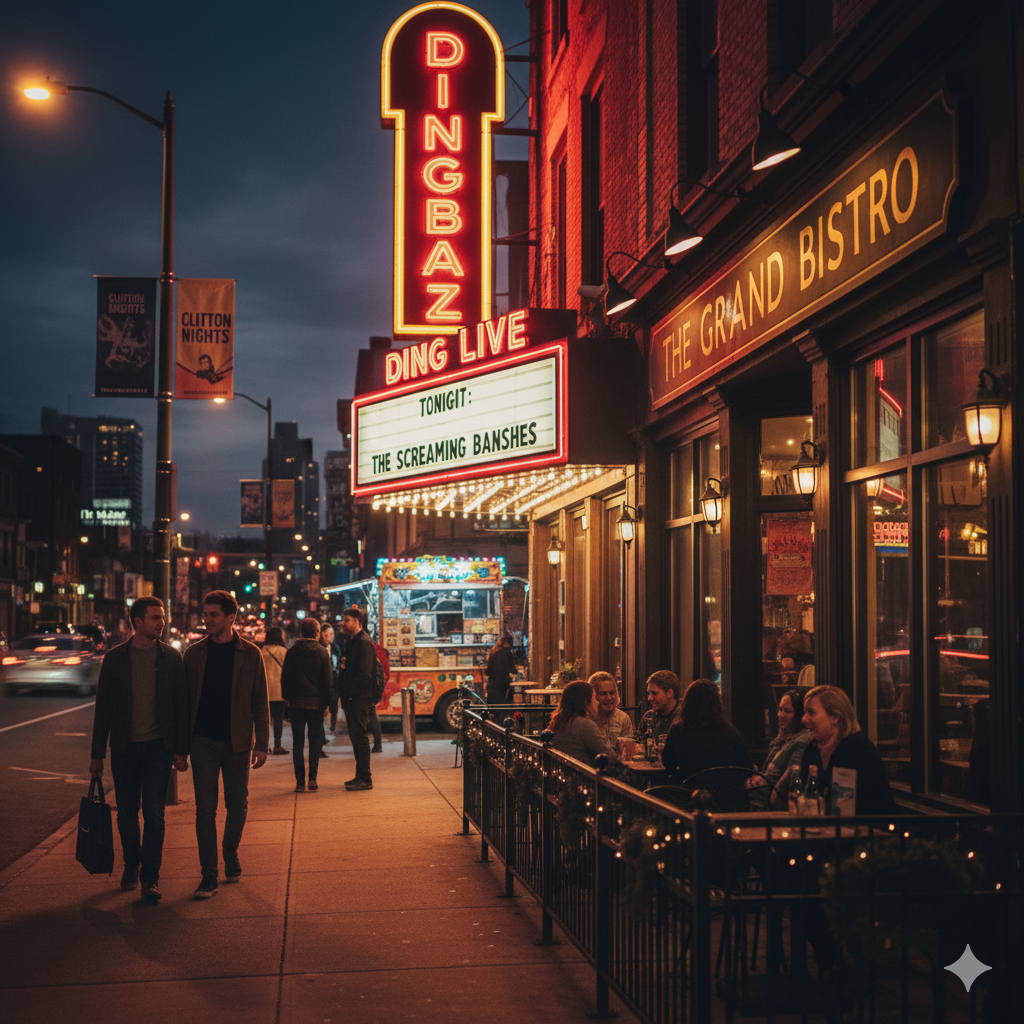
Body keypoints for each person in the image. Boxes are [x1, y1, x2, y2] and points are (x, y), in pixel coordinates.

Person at [89, 597, 189, 903]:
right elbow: (103, 708)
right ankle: (131, 864)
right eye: (155, 618)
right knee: (127, 816)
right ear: (137, 622)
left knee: (155, 815)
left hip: (158, 749)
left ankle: (150, 878)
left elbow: (181, 706)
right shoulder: (115, 659)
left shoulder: (171, 657)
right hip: (124, 750)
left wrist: (181, 749)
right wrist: (97, 754)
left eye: (162, 617)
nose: (161, 623)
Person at [183, 590, 270, 899]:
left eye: (213, 615)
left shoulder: (250, 654)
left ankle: (229, 851)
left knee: (238, 804)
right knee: (205, 809)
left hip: (237, 740)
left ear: (231, 617)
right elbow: (184, 701)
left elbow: (260, 700)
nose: (207, 620)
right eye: (205, 614)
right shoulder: (194, 654)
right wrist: (182, 746)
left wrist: (262, 743)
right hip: (202, 741)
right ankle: (208, 875)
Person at [800, 684, 895, 814]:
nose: (803, 719)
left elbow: (867, 805)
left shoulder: (858, 749)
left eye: (811, 712)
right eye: (805, 712)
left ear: (835, 717)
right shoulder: (812, 750)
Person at [661, 678, 751, 784]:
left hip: (690, 794)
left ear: (687, 703)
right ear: (717, 703)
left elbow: (668, 762)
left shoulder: (678, 729)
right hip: (726, 794)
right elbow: (746, 765)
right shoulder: (729, 731)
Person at [282, 618, 333, 792]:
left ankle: (300, 782)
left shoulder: (292, 652)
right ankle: (313, 778)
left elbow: (285, 678)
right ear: (317, 633)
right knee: (314, 741)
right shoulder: (321, 652)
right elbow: (327, 681)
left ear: (302, 632)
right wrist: (327, 704)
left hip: (296, 702)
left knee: (297, 743)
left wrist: (287, 697)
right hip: (315, 704)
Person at [746, 689, 809, 808]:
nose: (781, 715)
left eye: (787, 711)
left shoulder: (801, 742)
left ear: (799, 715)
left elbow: (790, 781)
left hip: (773, 805)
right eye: (780, 710)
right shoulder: (781, 739)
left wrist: (764, 781)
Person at [337, 606, 377, 791]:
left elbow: (364, 674)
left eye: (347, 620)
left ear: (357, 622)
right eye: (343, 620)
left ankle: (365, 778)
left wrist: (352, 694)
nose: (343, 624)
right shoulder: (352, 641)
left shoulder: (363, 642)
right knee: (356, 737)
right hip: (352, 697)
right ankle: (359, 775)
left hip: (359, 699)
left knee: (360, 738)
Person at [547, 679, 619, 766]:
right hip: (581, 775)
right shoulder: (584, 724)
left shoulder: (560, 721)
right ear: (586, 702)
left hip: (561, 771)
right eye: (594, 699)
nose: (597, 703)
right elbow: (610, 756)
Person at [635, 670, 684, 747]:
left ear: (669, 693)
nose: (649, 698)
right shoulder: (649, 717)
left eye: (654, 693)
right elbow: (636, 746)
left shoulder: (684, 718)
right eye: (649, 693)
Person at [261, 626, 288, 755]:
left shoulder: (262, 651)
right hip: (280, 690)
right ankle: (277, 745)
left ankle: (265, 745)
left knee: (266, 720)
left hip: (265, 691)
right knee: (278, 719)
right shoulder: (284, 652)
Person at [589, 671, 634, 747]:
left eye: (612, 692)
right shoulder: (587, 719)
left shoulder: (623, 718)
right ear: (593, 696)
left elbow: (628, 749)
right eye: (603, 694)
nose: (609, 698)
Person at [485, 633, 515, 704]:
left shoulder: (493, 652)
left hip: (492, 684)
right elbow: (511, 668)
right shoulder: (507, 653)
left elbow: (488, 670)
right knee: (502, 706)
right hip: (502, 685)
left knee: (492, 708)